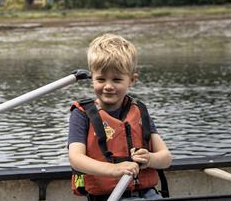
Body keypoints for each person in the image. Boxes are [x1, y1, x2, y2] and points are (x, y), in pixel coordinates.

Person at [67, 33, 172, 201]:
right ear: (92, 79)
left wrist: (149, 159)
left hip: (148, 194)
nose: (108, 86)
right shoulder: (81, 114)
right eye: (101, 79)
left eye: (117, 79)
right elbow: (76, 159)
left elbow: (165, 158)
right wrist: (115, 169)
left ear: (131, 80)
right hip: (107, 197)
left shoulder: (140, 112)